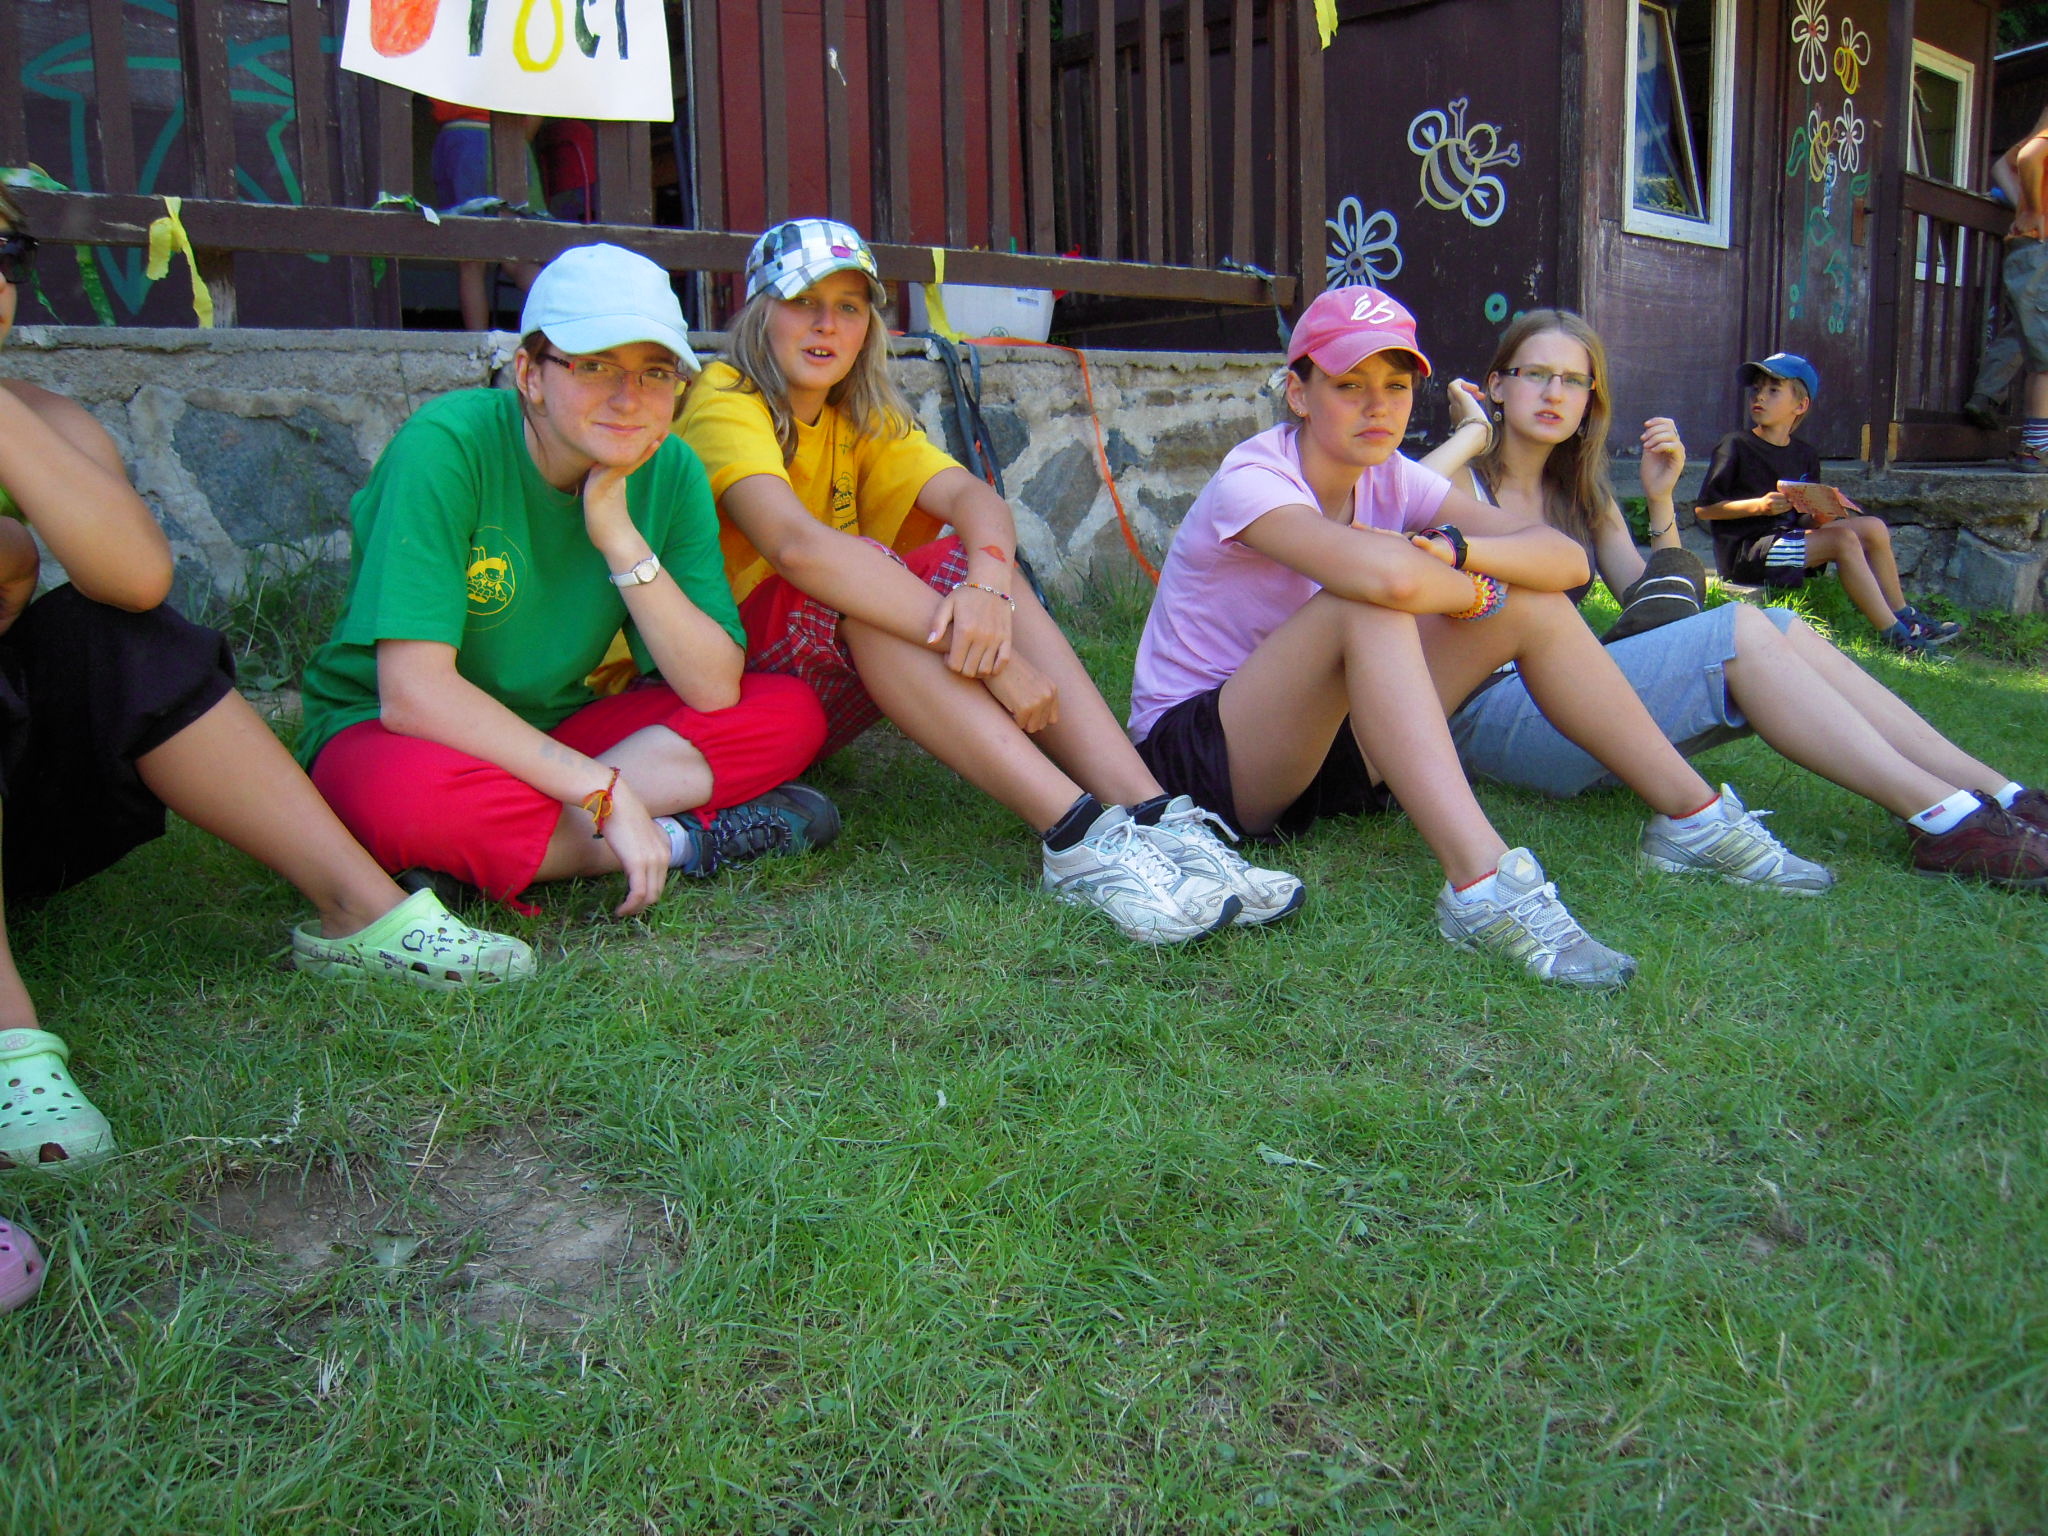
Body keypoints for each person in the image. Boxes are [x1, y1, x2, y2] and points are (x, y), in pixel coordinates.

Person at [0, 186, 533, 1186]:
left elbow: (136, 578)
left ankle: (356, 911)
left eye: (2, 252)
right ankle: (7, 1039)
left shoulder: (38, 420)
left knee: (120, 633)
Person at [1127, 286, 1832, 992]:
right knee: (1368, 604)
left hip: (1321, 751)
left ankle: (1692, 818)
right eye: (1349, 385)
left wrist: (1460, 549)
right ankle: (1484, 885)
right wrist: (1477, 590)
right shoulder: (1255, 476)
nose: (1378, 406)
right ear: (1299, 393)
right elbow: (1388, 580)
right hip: (1204, 760)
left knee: (1535, 605)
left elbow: (1565, 561)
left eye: (1396, 386)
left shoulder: (1392, 478)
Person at [676, 218, 1300, 943]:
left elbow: (976, 501)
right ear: (760, 311)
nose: (827, 325)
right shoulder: (727, 396)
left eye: (849, 307)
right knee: (864, 580)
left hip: (803, 665)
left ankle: (1152, 813)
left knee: (957, 564)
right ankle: (1076, 839)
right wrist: (997, 663)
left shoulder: (855, 410)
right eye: (803, 302)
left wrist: (989, 589)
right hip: (716, 677)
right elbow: (796, 550)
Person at [298, 243, 837, 919]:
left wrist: (619, 536)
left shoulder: (670, 471)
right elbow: (413, 696)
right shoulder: (446, 446)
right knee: (405, 802)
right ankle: (684, 839)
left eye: (655, 373)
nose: (628, 398)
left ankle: (488, 856)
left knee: (787, 714)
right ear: (529, 374)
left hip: (558, 727)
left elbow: (712, 687)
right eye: (594, 366)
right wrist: (601, 790)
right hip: (398, 733)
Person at [1426, 308, 2048, 891]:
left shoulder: (1583, 494)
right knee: (1742, 632)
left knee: (1778, 623)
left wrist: (1661, 499)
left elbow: (1652, 604)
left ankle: (2001, 794)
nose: (1554, 393)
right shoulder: (1459, 479)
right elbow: (1393, 502)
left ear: (1591, 398)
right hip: (1485, 718)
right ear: (1497, 386)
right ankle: (1942, 818)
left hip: (1570, 700)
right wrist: (1471, 433)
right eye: (1535, 374)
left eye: (1572, 380)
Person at [1693, 353, 1959, 652]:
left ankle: (1904, 615)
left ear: (1800, 405)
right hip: (1749, 553)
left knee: (1872, 527)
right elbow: (1704, 509)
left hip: (1791, 540)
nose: (1760, 397)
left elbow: (1803, 520)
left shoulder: (1805, 454)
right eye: (1756, 389)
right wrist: (1759, 506)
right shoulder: (1736, 445)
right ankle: (1897, 637)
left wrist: (1820, 515)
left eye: (1773, 390)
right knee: (1843, 540)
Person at [1963, 105, 2048, 471]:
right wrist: (2032, 212)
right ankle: (2036, 447)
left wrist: (2024, 207)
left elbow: (2004, 164)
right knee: (2044, 355)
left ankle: (2031, 438)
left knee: (2033, 341)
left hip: (2035, 248)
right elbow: (2029, 157)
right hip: (2041, 248)